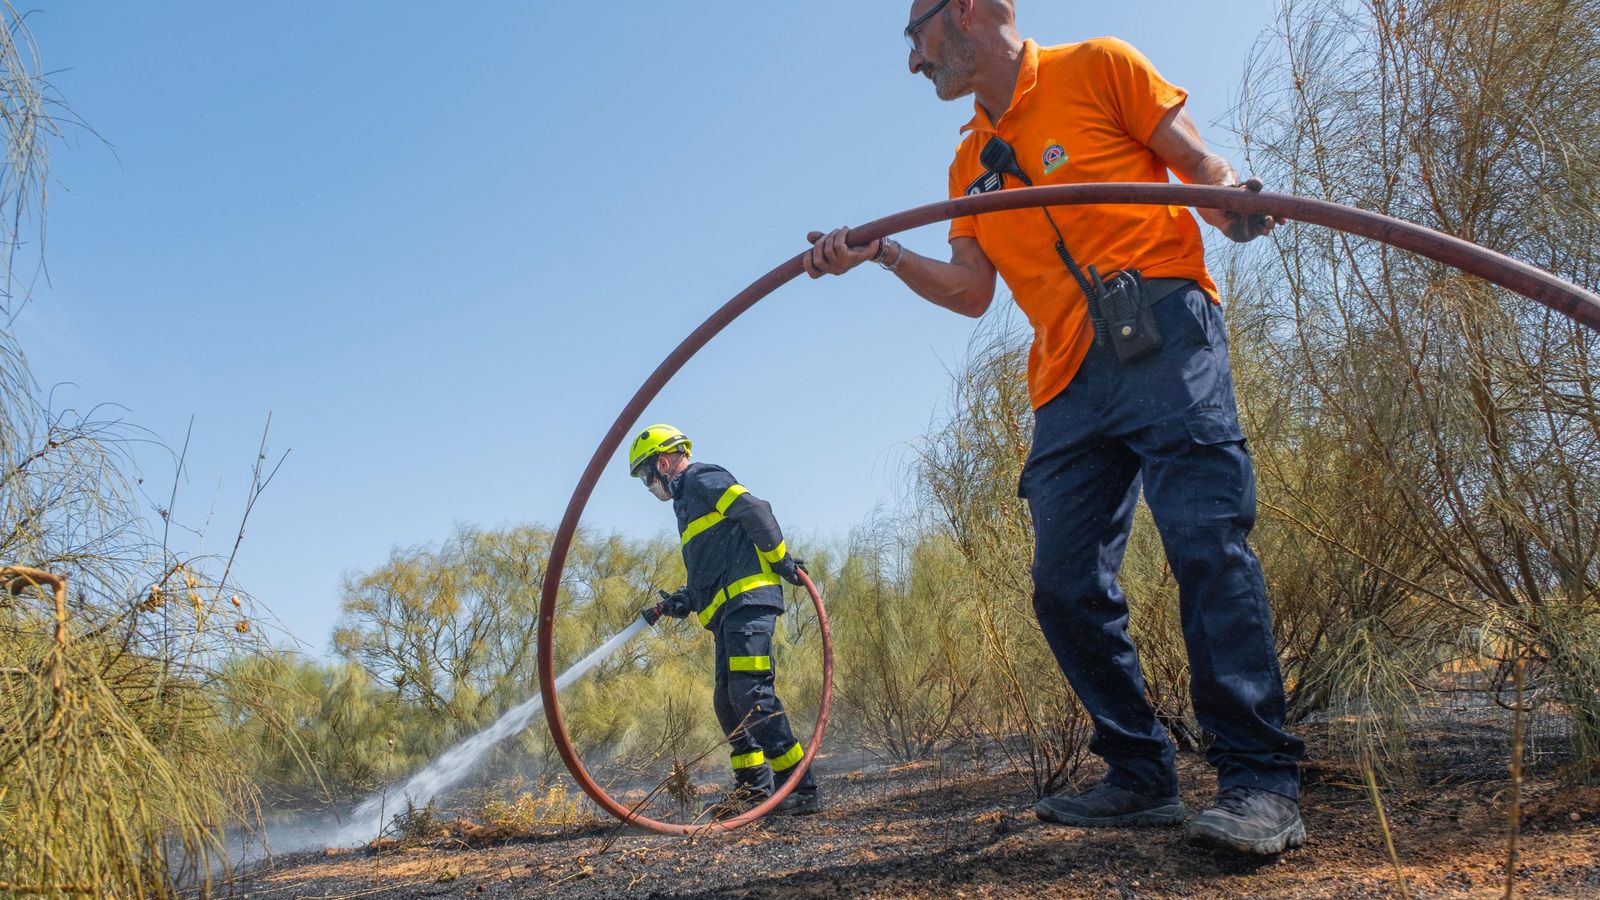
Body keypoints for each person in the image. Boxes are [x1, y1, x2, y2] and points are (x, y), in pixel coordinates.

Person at [802, 0, 1305, 856]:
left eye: (913, 35)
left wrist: (1230, 206)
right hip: (1067, 375)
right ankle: (1142, 776)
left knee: (1205, 541)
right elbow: (970, 291)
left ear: (962, 11)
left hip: (1162, 320)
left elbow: (1199, 165)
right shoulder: (969, 161)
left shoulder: (1097, 65)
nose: (912, 60)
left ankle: (1261, 784)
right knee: (1063, 582)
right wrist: (882, 254)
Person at [628, 424, 821, 818]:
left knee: (750, 693)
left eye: (647, 477)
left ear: (663, 464)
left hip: (749, 601)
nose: (649, 486)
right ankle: (754, 790)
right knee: (728, 701)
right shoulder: (687, 506)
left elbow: (755, 510)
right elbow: (713, 566)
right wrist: (686, 599)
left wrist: (781, 559)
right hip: (727, 610)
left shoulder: (701, 477)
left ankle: (799, 787)